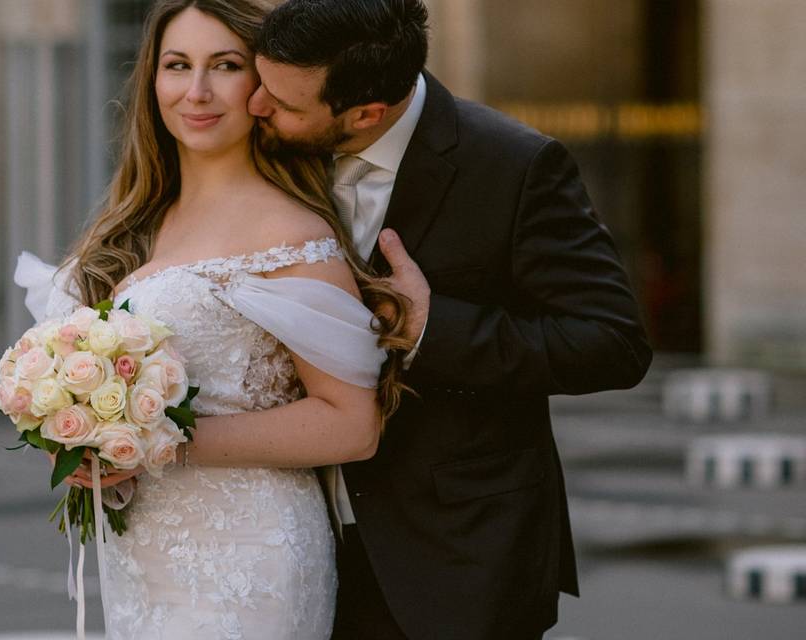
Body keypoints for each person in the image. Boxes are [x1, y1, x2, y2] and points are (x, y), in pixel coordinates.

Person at [244, 1, 654, 639]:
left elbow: (613, 343)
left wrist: (433, 327)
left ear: (365, 115)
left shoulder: (515, 167)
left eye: (286, 105)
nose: (256, 108)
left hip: (454, 556)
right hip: (282, 546)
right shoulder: (261, 154)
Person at [13, 1, 412, 638]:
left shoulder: (291, 233)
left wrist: (153, 440)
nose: (196, 91)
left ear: (262, 88)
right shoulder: (134, 224)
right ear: (153, 81)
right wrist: (84, 430)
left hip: (249, 557)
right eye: (177, 66)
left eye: (224, 65)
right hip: (142, 556)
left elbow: (351, 423)